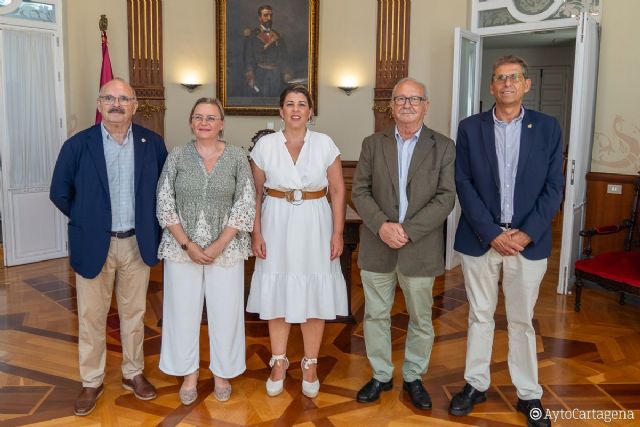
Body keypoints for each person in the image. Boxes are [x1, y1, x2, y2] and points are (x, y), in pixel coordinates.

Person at [449, 55, 563, 427]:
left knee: (521, 320)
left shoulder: (547, 127)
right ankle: (476, 384)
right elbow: (463, 184)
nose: (507, 83)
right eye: (500, 78)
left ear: (527, 84)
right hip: (482, 239)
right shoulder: (469, 128)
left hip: (528, 242)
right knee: (479, 315)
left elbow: (554, 187)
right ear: (491, 87)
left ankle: (528, 394)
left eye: (514, 77)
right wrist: (493, 233)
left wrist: (526, 232)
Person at [50, 78, 168, 416]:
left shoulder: (152, 143)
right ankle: (92, 380)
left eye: (123, 98)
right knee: (90, 316)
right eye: (109, 98)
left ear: (134, 106)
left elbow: (163, 191)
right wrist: (88, 220)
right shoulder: (77, 145)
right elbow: (59, 191)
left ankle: (133, 373)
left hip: (136, 243)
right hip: (93, 243)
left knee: (135, 315)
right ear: (100, 105)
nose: (116, 104)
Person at [351, 77, 456, 410]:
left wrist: (407, 230)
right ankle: (381, 375)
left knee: (421, 318)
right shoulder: (373, 143)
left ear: (426, 105)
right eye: (400, 99)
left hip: (419, 246)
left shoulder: (444, 146)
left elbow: (446, 198)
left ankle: (413, 376)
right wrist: (382, 226)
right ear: (391, 107)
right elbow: (359, 191)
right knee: (376, 315)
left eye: (414, 99)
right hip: (377, 244)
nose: (407, 104)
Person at [247, 84, 348, 399]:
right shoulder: (265, 146)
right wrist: (256, 232)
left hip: (315, 222)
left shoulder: (325, 143)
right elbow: (255, 193)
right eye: (289, 103)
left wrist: (337, 232)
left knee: (314, 295)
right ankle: (278, 362)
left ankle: (310, 363)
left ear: (310, 111)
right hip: (275, 221)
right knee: (277, 294)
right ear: (280, 111)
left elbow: (338, 189)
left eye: (301, 104)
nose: (295, 109)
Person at [156, 98, 255, 405]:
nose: (204, 122)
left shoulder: (238, 157)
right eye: (198, 117)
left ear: (221, 123)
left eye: (211, 118)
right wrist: (187, 243)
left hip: (225, 250)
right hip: (180, 248)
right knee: (181, 312)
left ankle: (222, 373)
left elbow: (246, 202)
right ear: (190, 122)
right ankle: (188, 374)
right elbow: (164, 200)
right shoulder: (177, 156)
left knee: (226, 313)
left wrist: (219, 243)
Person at [243, 4, 292, 97]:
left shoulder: (277, 35)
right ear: (259, 18)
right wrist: (250, 76)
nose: (269, 18)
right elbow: (248, 57)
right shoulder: (252, 35)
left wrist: (286, 72)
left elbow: (283, 55)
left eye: (271, 15)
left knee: (276, 102)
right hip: (260, 74)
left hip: (276, 75)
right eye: (266, 15)